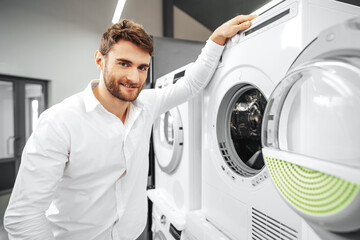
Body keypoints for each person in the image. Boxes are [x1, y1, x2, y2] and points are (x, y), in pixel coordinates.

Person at [4, 14, 257, 240]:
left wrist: (215, 40)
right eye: (124, 63)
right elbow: (23, 216)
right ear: (99, 60)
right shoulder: (60, 122)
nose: (134, 78)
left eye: (142, 67)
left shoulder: (147, 104)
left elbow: (190, 85)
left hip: (133, 233)